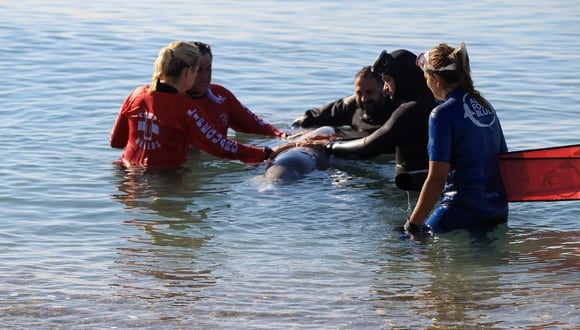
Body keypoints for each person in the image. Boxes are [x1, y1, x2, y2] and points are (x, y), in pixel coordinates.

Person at [110, 41, 272, 170]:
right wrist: (265, 153)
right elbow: (219, 146)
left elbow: (116, 141)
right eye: (196, 71)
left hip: (127, 175)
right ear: (188, 72)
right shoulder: (185, 107)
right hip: (164, 179)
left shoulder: (135, 94)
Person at [404, 42, 509, 235]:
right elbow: (504, 159)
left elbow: (437, 178)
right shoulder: (485, 106)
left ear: (436, 79)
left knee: (408, 244)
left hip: (459, 212)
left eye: (426, 77)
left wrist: (412, 225)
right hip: (497, 211)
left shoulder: (441, 114)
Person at [322, 49, 436, 175]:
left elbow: (369, 146)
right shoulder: (435, 101)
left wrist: (330, 146)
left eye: (388, 80)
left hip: (418, 189)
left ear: (402, 78)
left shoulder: (410, 111)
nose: (385, 88)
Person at [186, 41, 287, 139]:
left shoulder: (221, 96)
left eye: (208, 69)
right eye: (199, 70)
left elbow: (255, 125)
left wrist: (282, 135)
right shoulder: (175, 102)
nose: (205, 76)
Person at [292, 66, 392, 138]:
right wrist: (293, 132)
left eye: (369, 92)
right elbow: (313, 117)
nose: (363, 99)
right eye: (359, 93)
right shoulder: (351, 105)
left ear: (384, 91)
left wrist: (342, 135)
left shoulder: (396, 112)